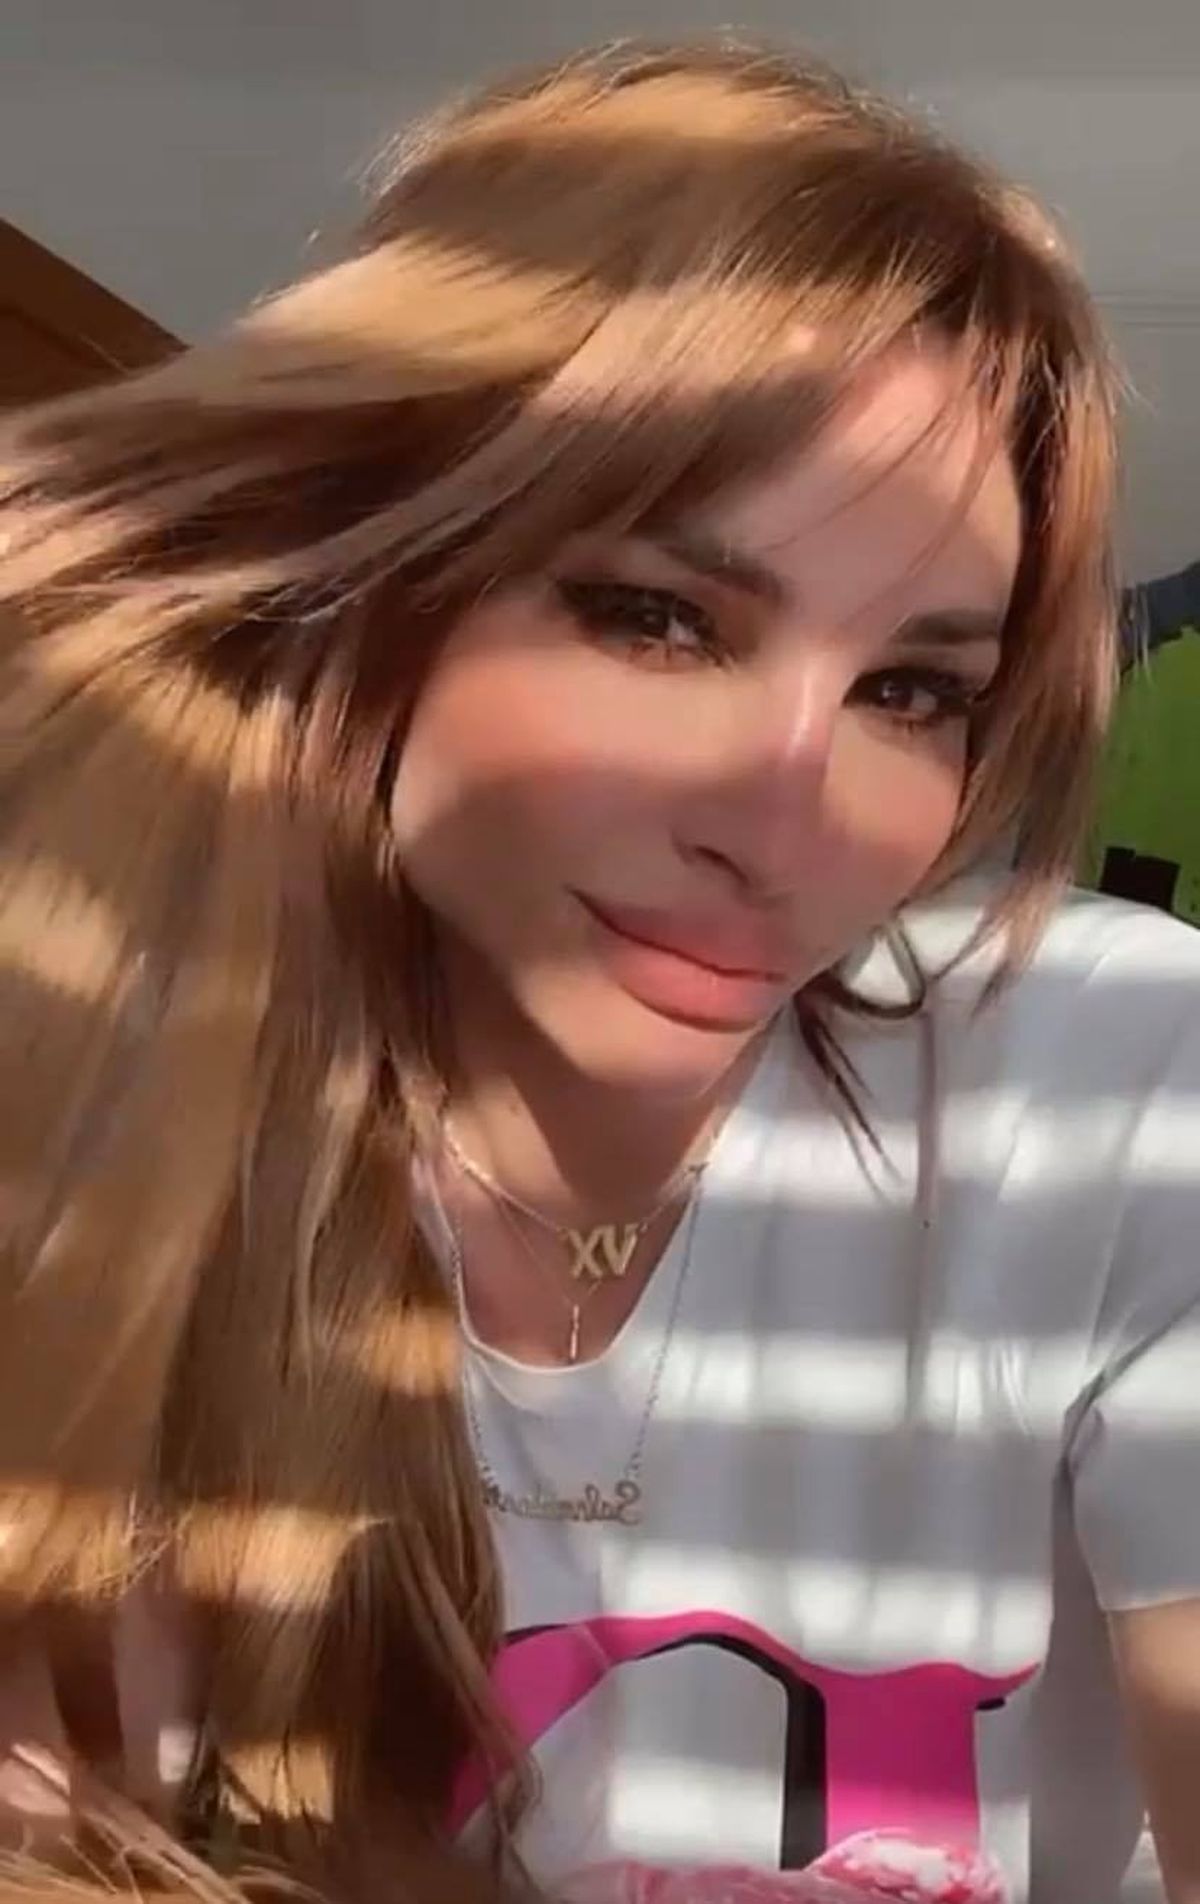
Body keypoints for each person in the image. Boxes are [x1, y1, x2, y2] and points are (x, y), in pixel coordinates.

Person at [1, 33, 1199, 1904]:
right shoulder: (115, 1122)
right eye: (655, 616)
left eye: (913, 691)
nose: (788, 824)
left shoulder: (1105, 1076)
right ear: (366, 578)